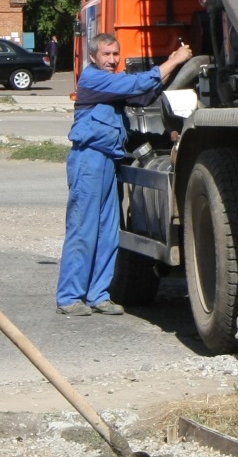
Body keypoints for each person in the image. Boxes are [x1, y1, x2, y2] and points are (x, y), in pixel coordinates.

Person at [57, 33, 194, 316]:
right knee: (84, 229)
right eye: (106, 54)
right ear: (94, 57)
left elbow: (144, 94)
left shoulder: (111, 87)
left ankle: (99, 295)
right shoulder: (93, 79)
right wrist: (175, 60)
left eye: (116, 54)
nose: (112, 60)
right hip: (89, 160)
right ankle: (69, 298)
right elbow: (136, 83)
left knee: (108, 233)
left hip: (109, 162)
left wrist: (168, 68)